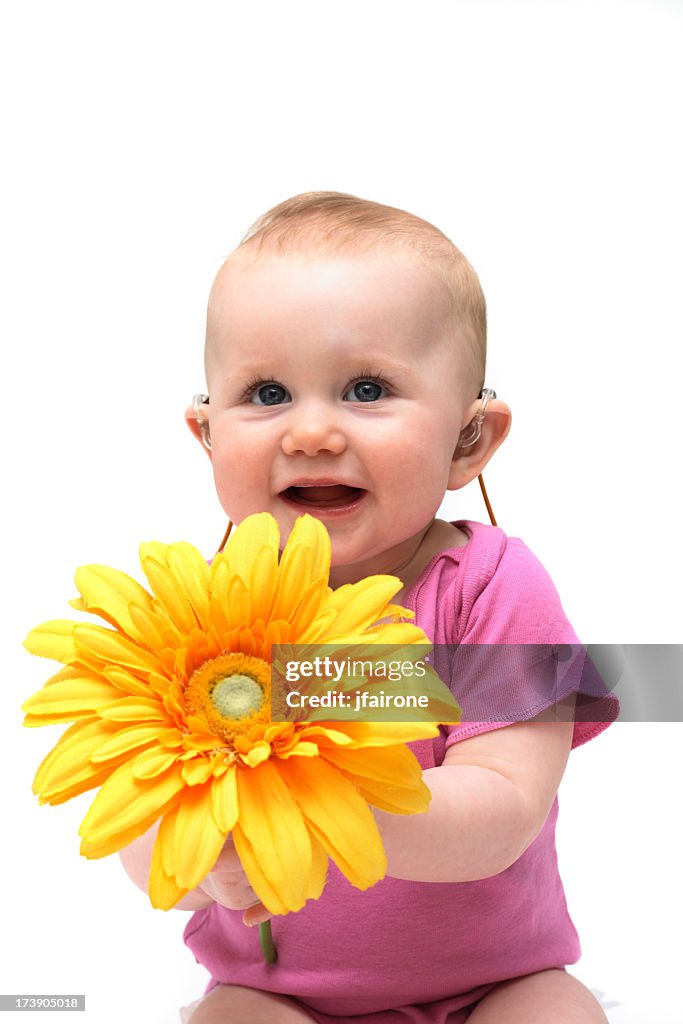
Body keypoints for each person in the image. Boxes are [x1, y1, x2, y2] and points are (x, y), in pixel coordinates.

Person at [120, 192, 618, 1023]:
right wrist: (201, 865)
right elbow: (143, 819)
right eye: (268, 393)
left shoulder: (492, 587)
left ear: (469, 441)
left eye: (364, 387)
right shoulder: (200, 619)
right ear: (207, 438)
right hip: (277, 995)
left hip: (496, 982)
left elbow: (500, 808)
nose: (310, 431)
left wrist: (321, 816)